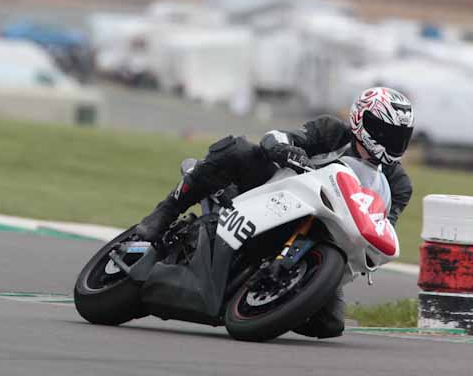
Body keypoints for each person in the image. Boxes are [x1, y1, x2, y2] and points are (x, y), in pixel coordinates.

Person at [134, 86, 415, 338]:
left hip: (329, 232)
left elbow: (383, 222)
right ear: (360, 120)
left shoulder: (398, 184)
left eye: (398, 136)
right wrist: (287, 150)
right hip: (275, 191)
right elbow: (276, 137)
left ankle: (271, 300)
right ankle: (166, 212)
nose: (390, 141)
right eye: (383, 131)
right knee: (238, 149)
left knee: (329, 325)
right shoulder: (332, 131)